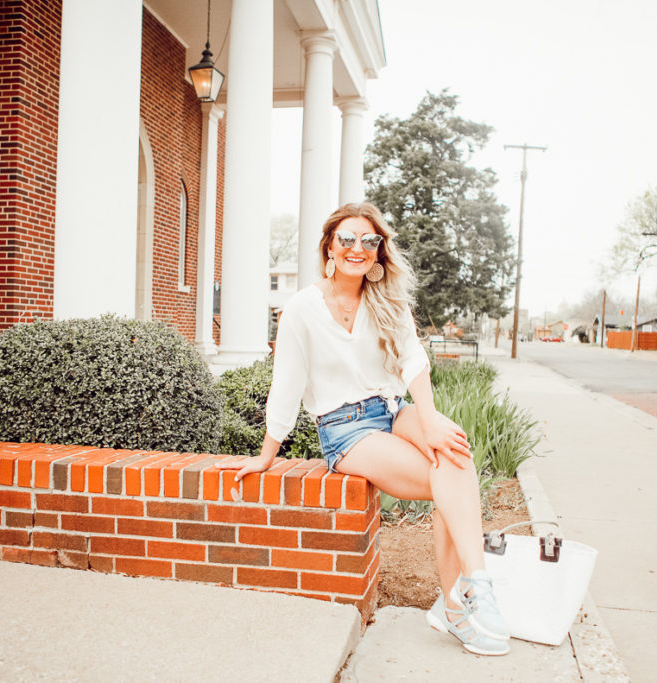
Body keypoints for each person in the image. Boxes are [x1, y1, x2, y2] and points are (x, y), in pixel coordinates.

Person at [216, 202, 510, 656]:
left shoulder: (386, 300)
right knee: (446, 478)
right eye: (347, 239)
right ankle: (462, 604)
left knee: (453, 452)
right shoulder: (301, 310)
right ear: (329, 248)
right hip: (346, 429)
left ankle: (471, 587)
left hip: (393, 410)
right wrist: (266, 454)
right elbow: (287, 384)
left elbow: (413, 360)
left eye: (369, 241)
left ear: (378, 252)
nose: (358, 248)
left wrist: (427, 421)